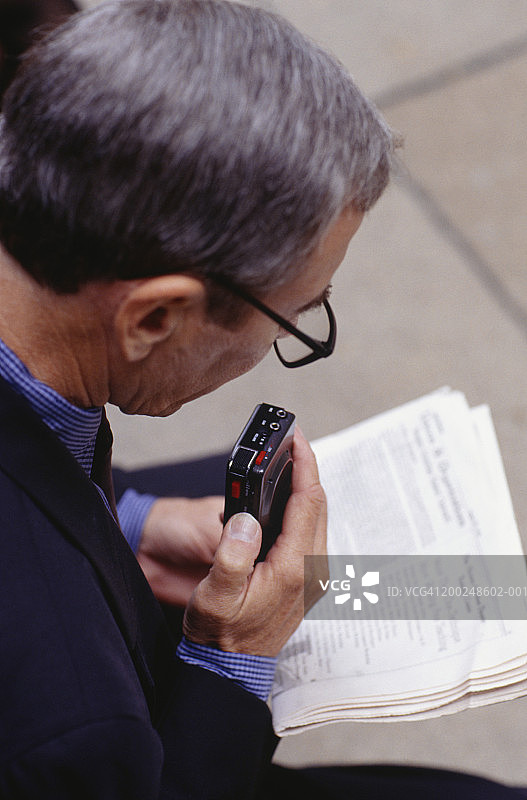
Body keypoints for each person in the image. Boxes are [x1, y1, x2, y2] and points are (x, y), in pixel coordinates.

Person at [0, 1, 523, 797]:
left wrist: (129, 519)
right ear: (154, 315)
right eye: (294, 316)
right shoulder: (73, 728)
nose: (290, 337)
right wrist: (229, 653)